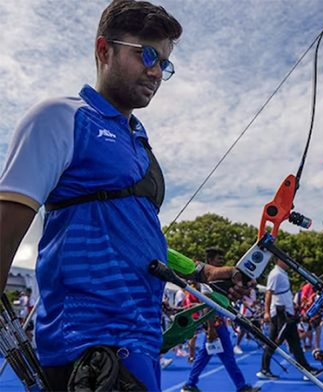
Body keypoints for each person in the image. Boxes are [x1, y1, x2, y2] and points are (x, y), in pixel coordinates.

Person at [0, 1, 246, 389]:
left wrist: (204, 272)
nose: (155, 71)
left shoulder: (138, 138)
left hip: (141, 340)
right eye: (146, 54)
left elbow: (138, 241)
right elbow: (5, 227)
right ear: (104, 50)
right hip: (90, 347)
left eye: (164, 63)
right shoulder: (61, 117)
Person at [182, 248, 258, 392]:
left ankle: (190, 384)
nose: (222, 261)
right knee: (227, 357)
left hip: (217, 322)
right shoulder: (206, 281)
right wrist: (211, 328)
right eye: (219, 259)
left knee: (206, 356)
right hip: (215, 324)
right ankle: (241, 386)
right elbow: (207, 305)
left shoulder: (218, 279)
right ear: (210, 261)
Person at [257, 259, 323, 380]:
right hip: (280, 315)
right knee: (273, 342)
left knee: (295, 343)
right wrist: (266, 312)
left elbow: (284, 294)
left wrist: (293, 306)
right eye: (285, 259)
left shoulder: (282, 273)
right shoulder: (275, 274)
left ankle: (307, 370)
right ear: (278, 260)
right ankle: (264, 369)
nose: (288, 261)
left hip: (288, 314)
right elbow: (268, 293)